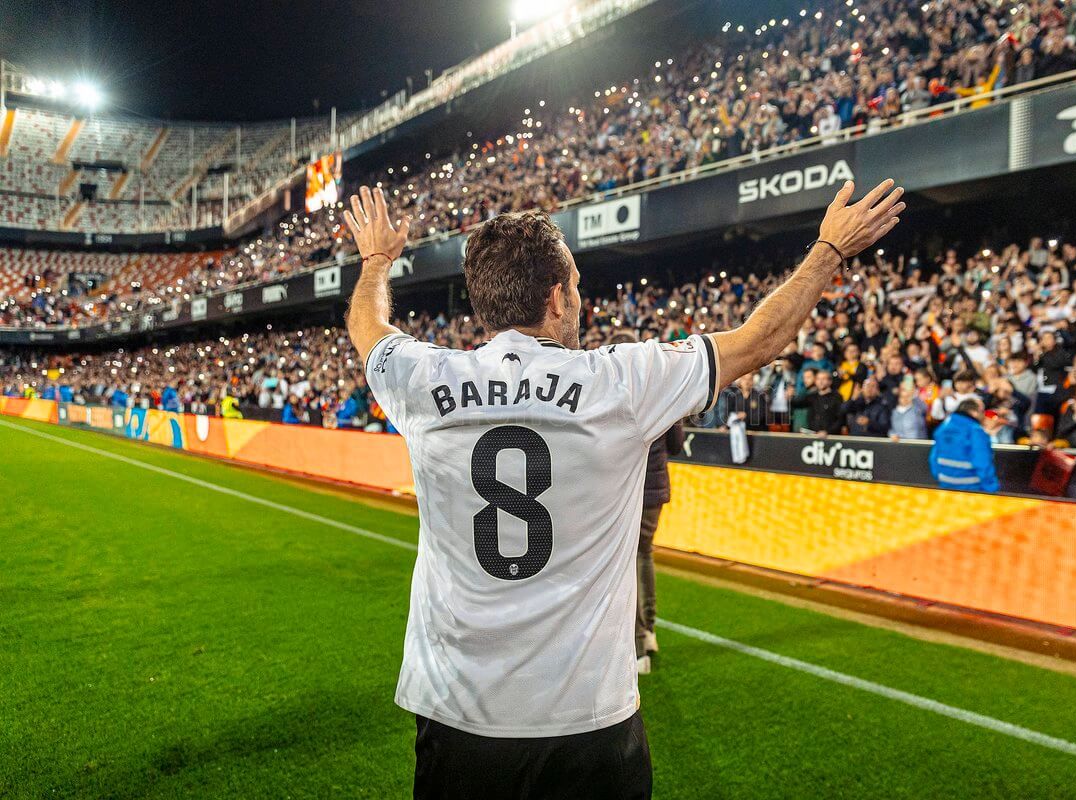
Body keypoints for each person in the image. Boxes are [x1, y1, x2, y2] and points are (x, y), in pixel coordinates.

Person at [343, 178, 904, 798]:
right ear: (556, 297)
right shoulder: (621, 381)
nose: (580, 299)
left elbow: (367, 327)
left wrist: (377, 260)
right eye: (577, 285)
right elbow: (760, 340)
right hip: (588, 721)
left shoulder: (424, 380)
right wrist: (829, 249)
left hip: (457, 716)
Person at [609, 330, 685, 676]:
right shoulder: (663, 388)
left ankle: (638, 646)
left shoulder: (610, 389)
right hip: (655, 487)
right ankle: (649, 632)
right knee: (645, 554)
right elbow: (677, 445)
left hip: (627, 487)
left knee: (629, 561)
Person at [928, 397, 998, 492]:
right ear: (974, 412)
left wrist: (941, 478)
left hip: (946, 485)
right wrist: (991, 488)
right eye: (982, 412)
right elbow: (982, 462)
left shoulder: (943, 428)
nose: (984, 415)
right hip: (971, 487)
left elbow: (933, 458)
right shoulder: (975, 431)